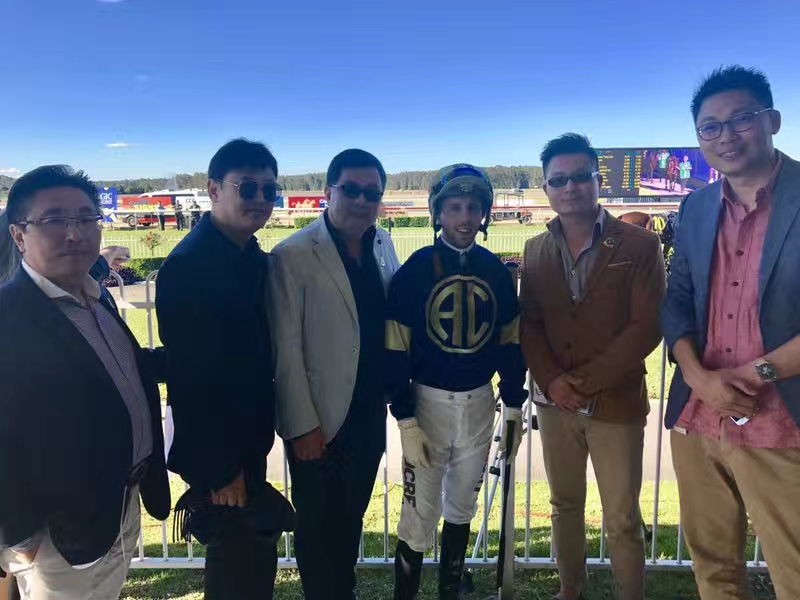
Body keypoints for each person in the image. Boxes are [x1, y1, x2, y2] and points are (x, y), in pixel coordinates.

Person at [0, 165, 170, 600]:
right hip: (61, 534)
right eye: (54, 220)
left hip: (119, 507)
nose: (74, 233)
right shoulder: (9, 317)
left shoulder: (95, 297)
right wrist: (17, 536)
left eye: (85, 218)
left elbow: (117, 374)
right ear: (19, 235)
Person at [662, 65, 800, 600]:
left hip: (783, 422)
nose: (726, 136)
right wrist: (699, 378)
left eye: (741, 118)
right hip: (699, 420)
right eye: (710, 127)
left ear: (773, 121)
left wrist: (753, 374)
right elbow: (676, 300)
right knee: (714, 572)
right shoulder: (696, 207)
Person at [520, 134, 665, 600]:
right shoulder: (534, 250)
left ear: (598, 181)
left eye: (581, 176)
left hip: (615, 401)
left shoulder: (641, 244)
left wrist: (584, 382)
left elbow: (648, 325)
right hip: (555, 404)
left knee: (621, 516)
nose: (570, 187)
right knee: (564, 505)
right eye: (558, 180)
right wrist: (552, 382)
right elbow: (530, 325)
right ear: (546, 188)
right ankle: (570, 590)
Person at [156, 139, 291, 600]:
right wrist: (222, 470)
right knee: (237, 571)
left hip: (246, 442)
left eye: (270, 190)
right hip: (222, 455)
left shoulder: (246, 254)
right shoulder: (189, 266)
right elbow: (192, 380)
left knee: (252, 563)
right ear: (213, 190)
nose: (260, 199)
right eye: (247, 187)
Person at [386, 164, 528, 600]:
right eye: (455, 207)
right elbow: (395, 350)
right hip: (427, 404)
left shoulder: (496, 272)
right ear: (438, 213)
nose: (465, 217)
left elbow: (509, 343)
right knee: (419, 512)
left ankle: (450, 591)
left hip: (480, 403)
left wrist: (514, 403)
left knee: (462, 506)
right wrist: (405, 417)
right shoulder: (414, 271)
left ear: (484, 213)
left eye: (473, 207)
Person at [268, 149, 400, 600]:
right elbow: (285, 350)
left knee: (349, 519)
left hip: (368, 413)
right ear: (328, 191)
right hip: (319, 421)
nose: (362, 200)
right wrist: (302, 426)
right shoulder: (293, 254)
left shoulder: (382, 244)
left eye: (372, 193)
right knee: (317, 527)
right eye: (352, 190)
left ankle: (342, 590)